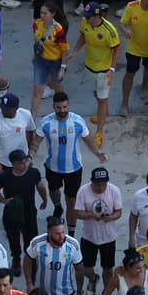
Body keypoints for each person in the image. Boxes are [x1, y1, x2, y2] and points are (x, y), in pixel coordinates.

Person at [31, 92, 107, 230]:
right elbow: (36, 141)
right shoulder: (46, 122)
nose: (62, 110)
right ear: (53, 106)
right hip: (52, 167)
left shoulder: (77, 121)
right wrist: (30, 156)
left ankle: (71, 233)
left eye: (65, 107)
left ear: (69, 105)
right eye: (59, 107)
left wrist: (98, 152)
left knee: (71, 202)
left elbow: (88, 139)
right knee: (54, 192)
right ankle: (58, 207)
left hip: (74, 169)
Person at [63, 1, 120, 146]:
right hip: (89, 67)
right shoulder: (86, 22)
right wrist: (75, 51)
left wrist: (111, 70)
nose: (86, 20)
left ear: (97, 16)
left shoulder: (110, 30)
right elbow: (83, 36)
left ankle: (99, 132)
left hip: (103, 70)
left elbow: (116, 50)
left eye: (89, 17)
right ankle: (103, 112)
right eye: (85, 17)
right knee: (96, 94)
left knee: (102, 99)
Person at [0, 150, 47, 277]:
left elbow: (40, 187)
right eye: (21, 163)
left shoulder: (33, 173)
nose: (24, 164)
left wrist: (44, 199)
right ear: (13, 164)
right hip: (12, 212)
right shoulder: (5, 176)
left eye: (25, 161)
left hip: (29, 212)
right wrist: (4, 201)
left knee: (31, 238)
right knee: (13, 238)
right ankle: (16, 259)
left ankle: (31, 260)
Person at [72, 166, 122, 295]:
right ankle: (93, 279)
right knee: (86, 268)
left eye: (103, 184)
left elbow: (119, 212)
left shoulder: (114, 190)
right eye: (97, 184)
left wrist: (109, 217)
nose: (100, 187)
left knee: (108, 268)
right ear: (91, 181)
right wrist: (92, 215)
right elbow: (77, 213)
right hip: (89, 237)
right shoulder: (83, 191)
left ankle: (106, 294)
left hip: (108, 238)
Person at [24, 217, 82, 295]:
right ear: (48, 232)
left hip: (65, 294)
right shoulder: (37, 243)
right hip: (42, 294)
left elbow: (80, 270)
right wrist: (29, 283)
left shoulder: (72, 244)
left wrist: (79, 293)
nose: (61, 237)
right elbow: (27, 260)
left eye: (63, 232)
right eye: (57, 234)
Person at [30, 1, 68, 112]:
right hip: (40, 61)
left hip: (55, 62)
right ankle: (32, 123)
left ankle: (62, 112)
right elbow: (36, 40)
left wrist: (62, 68)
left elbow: (65, 50)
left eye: (45, 13)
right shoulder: (36, 24)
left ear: (53, 14)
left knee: (57, 88)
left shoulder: (58, 30)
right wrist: (35, 54)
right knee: (37, 92)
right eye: (41, 13)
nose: (42, 15)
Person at [0, 93, 36, 175]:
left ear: (16, 108)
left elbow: (30, 132)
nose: (3, 111)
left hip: (22, 161)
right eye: (2, 108)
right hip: (3, 161)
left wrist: (28, 156)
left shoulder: (26, 115)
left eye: (7, 110)